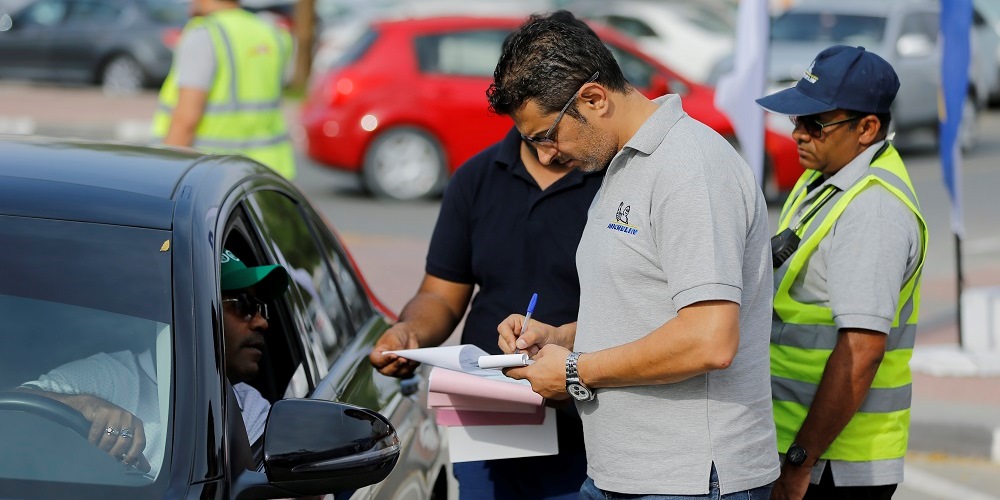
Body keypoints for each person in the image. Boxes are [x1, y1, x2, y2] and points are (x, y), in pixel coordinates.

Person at [490, 11, 778, 499]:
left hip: (689, 478)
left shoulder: (689, 167)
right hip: (621, 473)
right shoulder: (623, 165)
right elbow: (646, 313)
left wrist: (574, 371)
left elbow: (710, 339)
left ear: (594, 98)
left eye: (546, 136)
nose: (545, 157)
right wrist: (557, 337)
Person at [368, 125, 604, 499]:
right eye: (537, 133)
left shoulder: (612, 178)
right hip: (488, 422)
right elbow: (441, 295)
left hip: (588, 420)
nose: (547, 150)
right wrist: (411, 331)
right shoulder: (475, 177)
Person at [755, 46, 928, 500]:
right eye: (795, 120)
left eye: (815, 123)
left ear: (867, 128)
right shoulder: (823, 179)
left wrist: (800, 462)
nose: (798, 134)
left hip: (834, 464)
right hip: (808, 448)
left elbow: (862, 351)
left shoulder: (873, 209)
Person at [20, 249, 289, 473]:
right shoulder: (110, 377)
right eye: (243, 305)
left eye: (261, 308)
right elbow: (14, 403)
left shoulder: (251, 409)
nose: (262, 322)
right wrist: (83, 404)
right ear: (191, 312)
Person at [151, 0, 296, 179]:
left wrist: (165, 176)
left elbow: (186, 120)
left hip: (217, 176)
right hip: (272, 173)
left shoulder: (204, 34)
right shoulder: (272, 32)